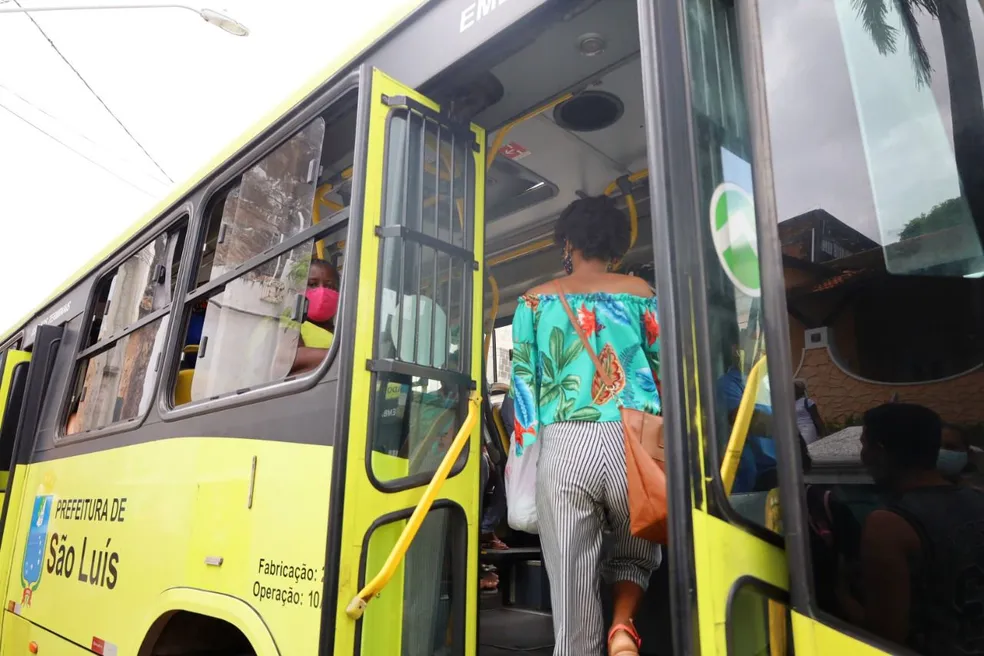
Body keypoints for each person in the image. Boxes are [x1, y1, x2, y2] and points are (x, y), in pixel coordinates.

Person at [509, 195, 661, 656]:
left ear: (568, 242)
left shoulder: (533, 302)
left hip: (565, 445)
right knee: (638, 551)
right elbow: (663, 369)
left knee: (572, 581)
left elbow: (523, 392)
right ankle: (621, 628)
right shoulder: (643, 294)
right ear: (616, 245)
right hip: (632, 441)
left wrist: (527, 458)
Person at [836, 403, 984, 654]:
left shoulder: (888, 526)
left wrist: (840, 596)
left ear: (880, 451)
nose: (862, 456)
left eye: (864, 445)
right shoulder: (977, 500)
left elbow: (885, 636)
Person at [716, 343, 777, 492]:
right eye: (754, 345)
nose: (760, 352)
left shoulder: (768, 381)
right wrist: (787, 429)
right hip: (754, 478)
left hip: (778, 467)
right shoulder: (728, 384)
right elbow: (744, 419)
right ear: (736, 350)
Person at [290, 258, 339, 375]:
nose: (322, 291)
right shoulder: (289, 322)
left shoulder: (341, 329)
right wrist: (346, 358)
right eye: (312, 284)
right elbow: (290, 359)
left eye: (329, 287)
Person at [794, 380, 826, 445]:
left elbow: (816, 418)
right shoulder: (790, 403)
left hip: (807, 429)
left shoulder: (807, 402)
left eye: (794, 387)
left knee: (807, 447)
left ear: (800, 390)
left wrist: (824, 435)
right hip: (796, 430)